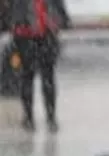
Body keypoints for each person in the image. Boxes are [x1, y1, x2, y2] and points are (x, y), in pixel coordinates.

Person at [0, 0, 69, 132]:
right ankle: (29, 117)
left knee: (46, 76)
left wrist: (60, 20)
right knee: (28, 76)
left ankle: (50, 117)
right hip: (26, 34)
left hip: (46, 33)